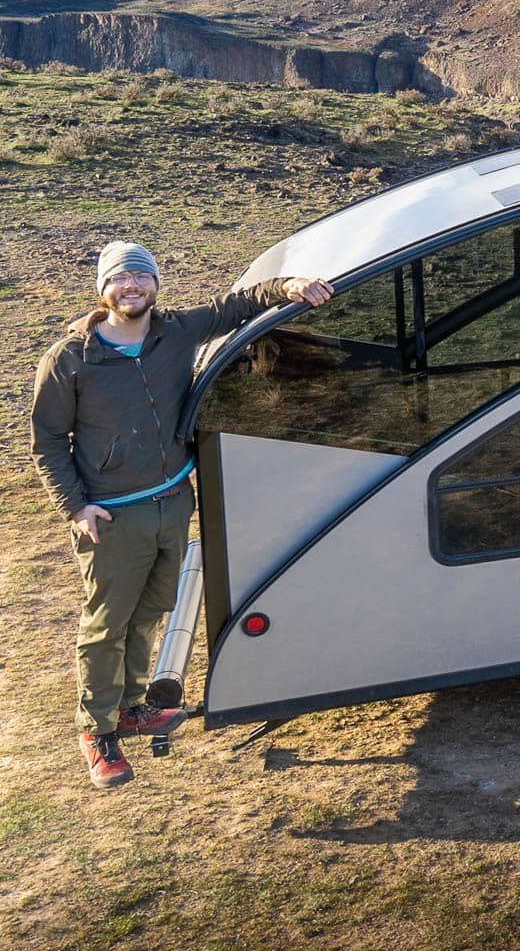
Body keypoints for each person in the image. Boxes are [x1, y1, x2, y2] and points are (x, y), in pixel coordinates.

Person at [31, 240, 333, 790]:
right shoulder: (71, 358)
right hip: (112, 516)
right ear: (103, 288)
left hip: (173, 501)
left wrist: (288, 289)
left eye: (141, 278)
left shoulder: (174, 331)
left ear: (155, 284)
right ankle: (96, 731)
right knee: (106, 625)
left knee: (150, 611)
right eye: (120, 279)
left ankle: (131, 706)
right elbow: (47, 439)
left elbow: (237, 305)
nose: (132, 288)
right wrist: (76, 506)